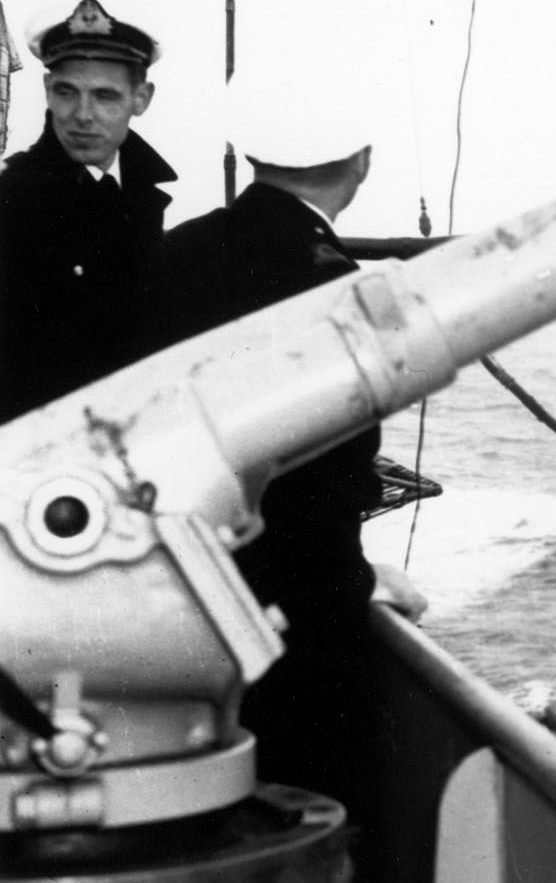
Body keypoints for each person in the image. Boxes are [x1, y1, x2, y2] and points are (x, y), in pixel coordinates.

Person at [150, 79, 423, 816]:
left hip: (171, 606)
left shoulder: (176, 253)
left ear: (248, 151)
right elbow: (327, 486)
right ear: (361, 163)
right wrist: (362, 584)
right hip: (296, 632)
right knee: (317, 812)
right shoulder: (329, 286)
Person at [0, 0, 176, 419]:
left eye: (105, 96)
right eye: (67, 92)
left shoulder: (140, 194)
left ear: (142, 98)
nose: (82, 115)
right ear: (47, 90)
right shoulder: (14, 202)